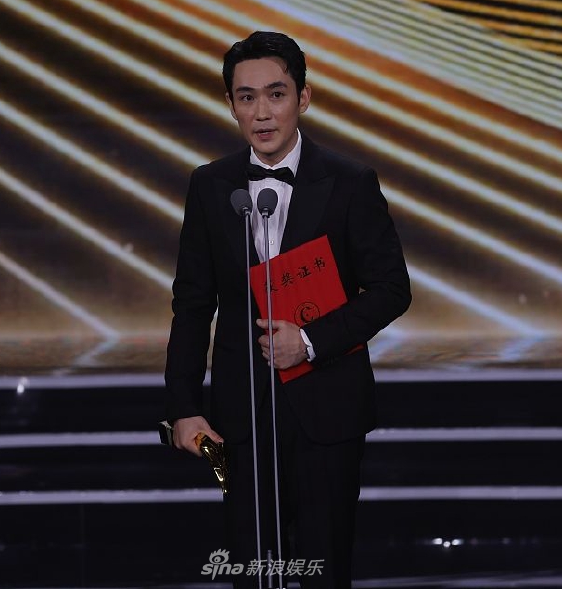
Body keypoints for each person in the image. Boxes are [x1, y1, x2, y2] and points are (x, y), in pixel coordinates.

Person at [164, 31, 411, 588]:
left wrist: (310, 341)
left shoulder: (350, 183)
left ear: (303, 97)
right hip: (239, 418)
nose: (262, 112)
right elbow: (193, 302)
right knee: (253, 573)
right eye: (246, 97)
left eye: (276, 94)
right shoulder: (210, 185)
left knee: (324, 571)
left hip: (328, 411)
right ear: (231, 105)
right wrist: (182, 405)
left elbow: (392, 288)